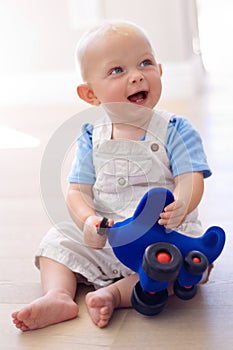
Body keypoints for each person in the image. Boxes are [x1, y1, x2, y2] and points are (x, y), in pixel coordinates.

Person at [12, 20, 212, 331]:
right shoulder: (92, 136)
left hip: (163, 234)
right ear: (90, 94)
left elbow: (190, 177)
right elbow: (77, 191)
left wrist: (182, 205)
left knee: (190, 265)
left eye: (145, 63)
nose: (136, 75)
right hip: (109, 234)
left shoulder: (175, 129)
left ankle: (115, 294)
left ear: (159, 70)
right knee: (56, 242)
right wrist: (88, 222)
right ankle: (59, 295)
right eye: (117, 70)